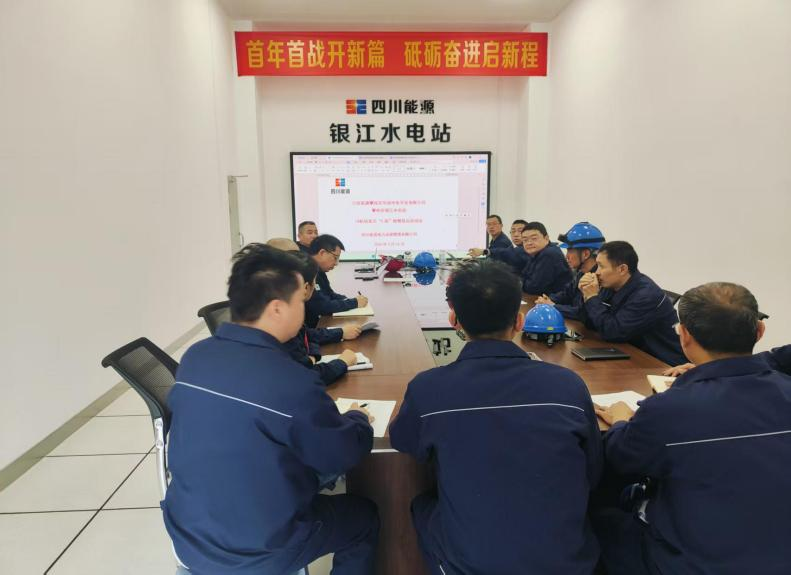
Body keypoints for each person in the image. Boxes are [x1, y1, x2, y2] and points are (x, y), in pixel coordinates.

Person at [163, 244, 378, 574]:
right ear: (277, 309)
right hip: (260, 548)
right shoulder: (291, 380)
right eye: (300, 302)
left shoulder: (195, 357)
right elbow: (341, 455)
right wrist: (358, 418)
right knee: (364, 518)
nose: (304, 309)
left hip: (188, 536)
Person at [389, 259, 602, 575]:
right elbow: (593, 471)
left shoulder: (428, 388)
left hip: (475, 563)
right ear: (519, 321)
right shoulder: (568, 385)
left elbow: (404, 442)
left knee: (423, 505)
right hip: (568, 561)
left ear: (453, 320)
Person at [594, 282, 791, 575]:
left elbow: (621, 458)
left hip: (689, 562)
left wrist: (622, 421)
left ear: (684, 335)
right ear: (760, 331)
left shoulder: (668, 408)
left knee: (598, 516)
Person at [576, 240, 685, 366]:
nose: (596, 272)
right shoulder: (610, 285)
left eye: (601, 266)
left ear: (622, 269)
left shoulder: (646, 295)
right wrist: (586, 294)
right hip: (631, 352)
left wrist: (592, 297)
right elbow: (589, 322)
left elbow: (613, 332)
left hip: (662, 363)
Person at [288, 250, 362, 385]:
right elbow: (305, 377)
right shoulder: (287, 323)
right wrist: (341, 363)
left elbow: (307, 336)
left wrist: (313, 356)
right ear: (306, 287)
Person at [536, 222, 605, 320]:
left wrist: (553, 306)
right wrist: (548, 299)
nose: (566, 256)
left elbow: (583, 313)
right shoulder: (581, 273)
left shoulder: (601, 280)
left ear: (585, 254)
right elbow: (566, 294)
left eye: (569, 251)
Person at [305, 234, 368, 327]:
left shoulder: (319, 270)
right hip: (311, 329)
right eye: (335, 258)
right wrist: (354, 302)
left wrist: (348, 299)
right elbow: (323, 306)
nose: (336, 263)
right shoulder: (307, 271)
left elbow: (330, 294)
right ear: (322, 253)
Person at [519, 221, 573, 295]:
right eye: (525, 240)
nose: (529, 243)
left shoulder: (549, 254)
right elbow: (524, 275)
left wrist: (520, 282)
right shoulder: (536, 253)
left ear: (546, 238)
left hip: (557, 300)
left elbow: (534, 288)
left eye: (534, 238)